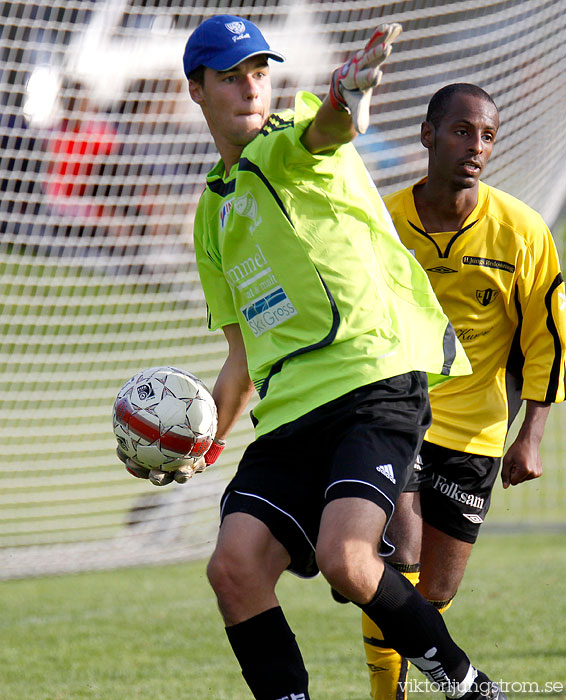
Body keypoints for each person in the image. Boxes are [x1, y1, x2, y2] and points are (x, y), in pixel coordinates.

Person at [121, 17, 506, 700]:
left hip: (371, 381)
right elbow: (238, 362)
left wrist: (346, 92)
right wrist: (198, 452)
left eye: (259, 73)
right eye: (232, 76)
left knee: (347, 559)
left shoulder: (288, 141)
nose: (250, 88)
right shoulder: (211, 215)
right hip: (290, 412)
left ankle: (466, 684)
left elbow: (327, 126)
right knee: (233, 568)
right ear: (196, 89)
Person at [360, 83, 566, 700]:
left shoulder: (522, 232)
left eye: (487, 136)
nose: (475, 147)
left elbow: (549, 340)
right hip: (396, 417)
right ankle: (387, 694)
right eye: (461, 131)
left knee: (437, 592)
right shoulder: (383, 223)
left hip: (477, 429)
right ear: (428, 134)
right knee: (398, 561)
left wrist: (531, 435)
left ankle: (426, 680)